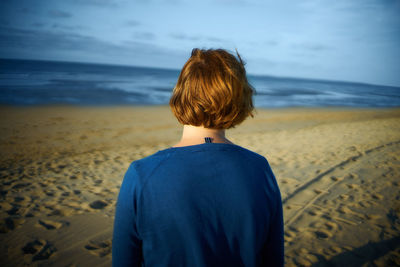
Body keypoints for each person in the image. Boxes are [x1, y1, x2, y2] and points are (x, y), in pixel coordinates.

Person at [112, 48, 284, 267]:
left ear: (181, 93)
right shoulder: (260, 170)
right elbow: (273, 259)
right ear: (240, 99)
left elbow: (124, 261)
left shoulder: (141, 175)